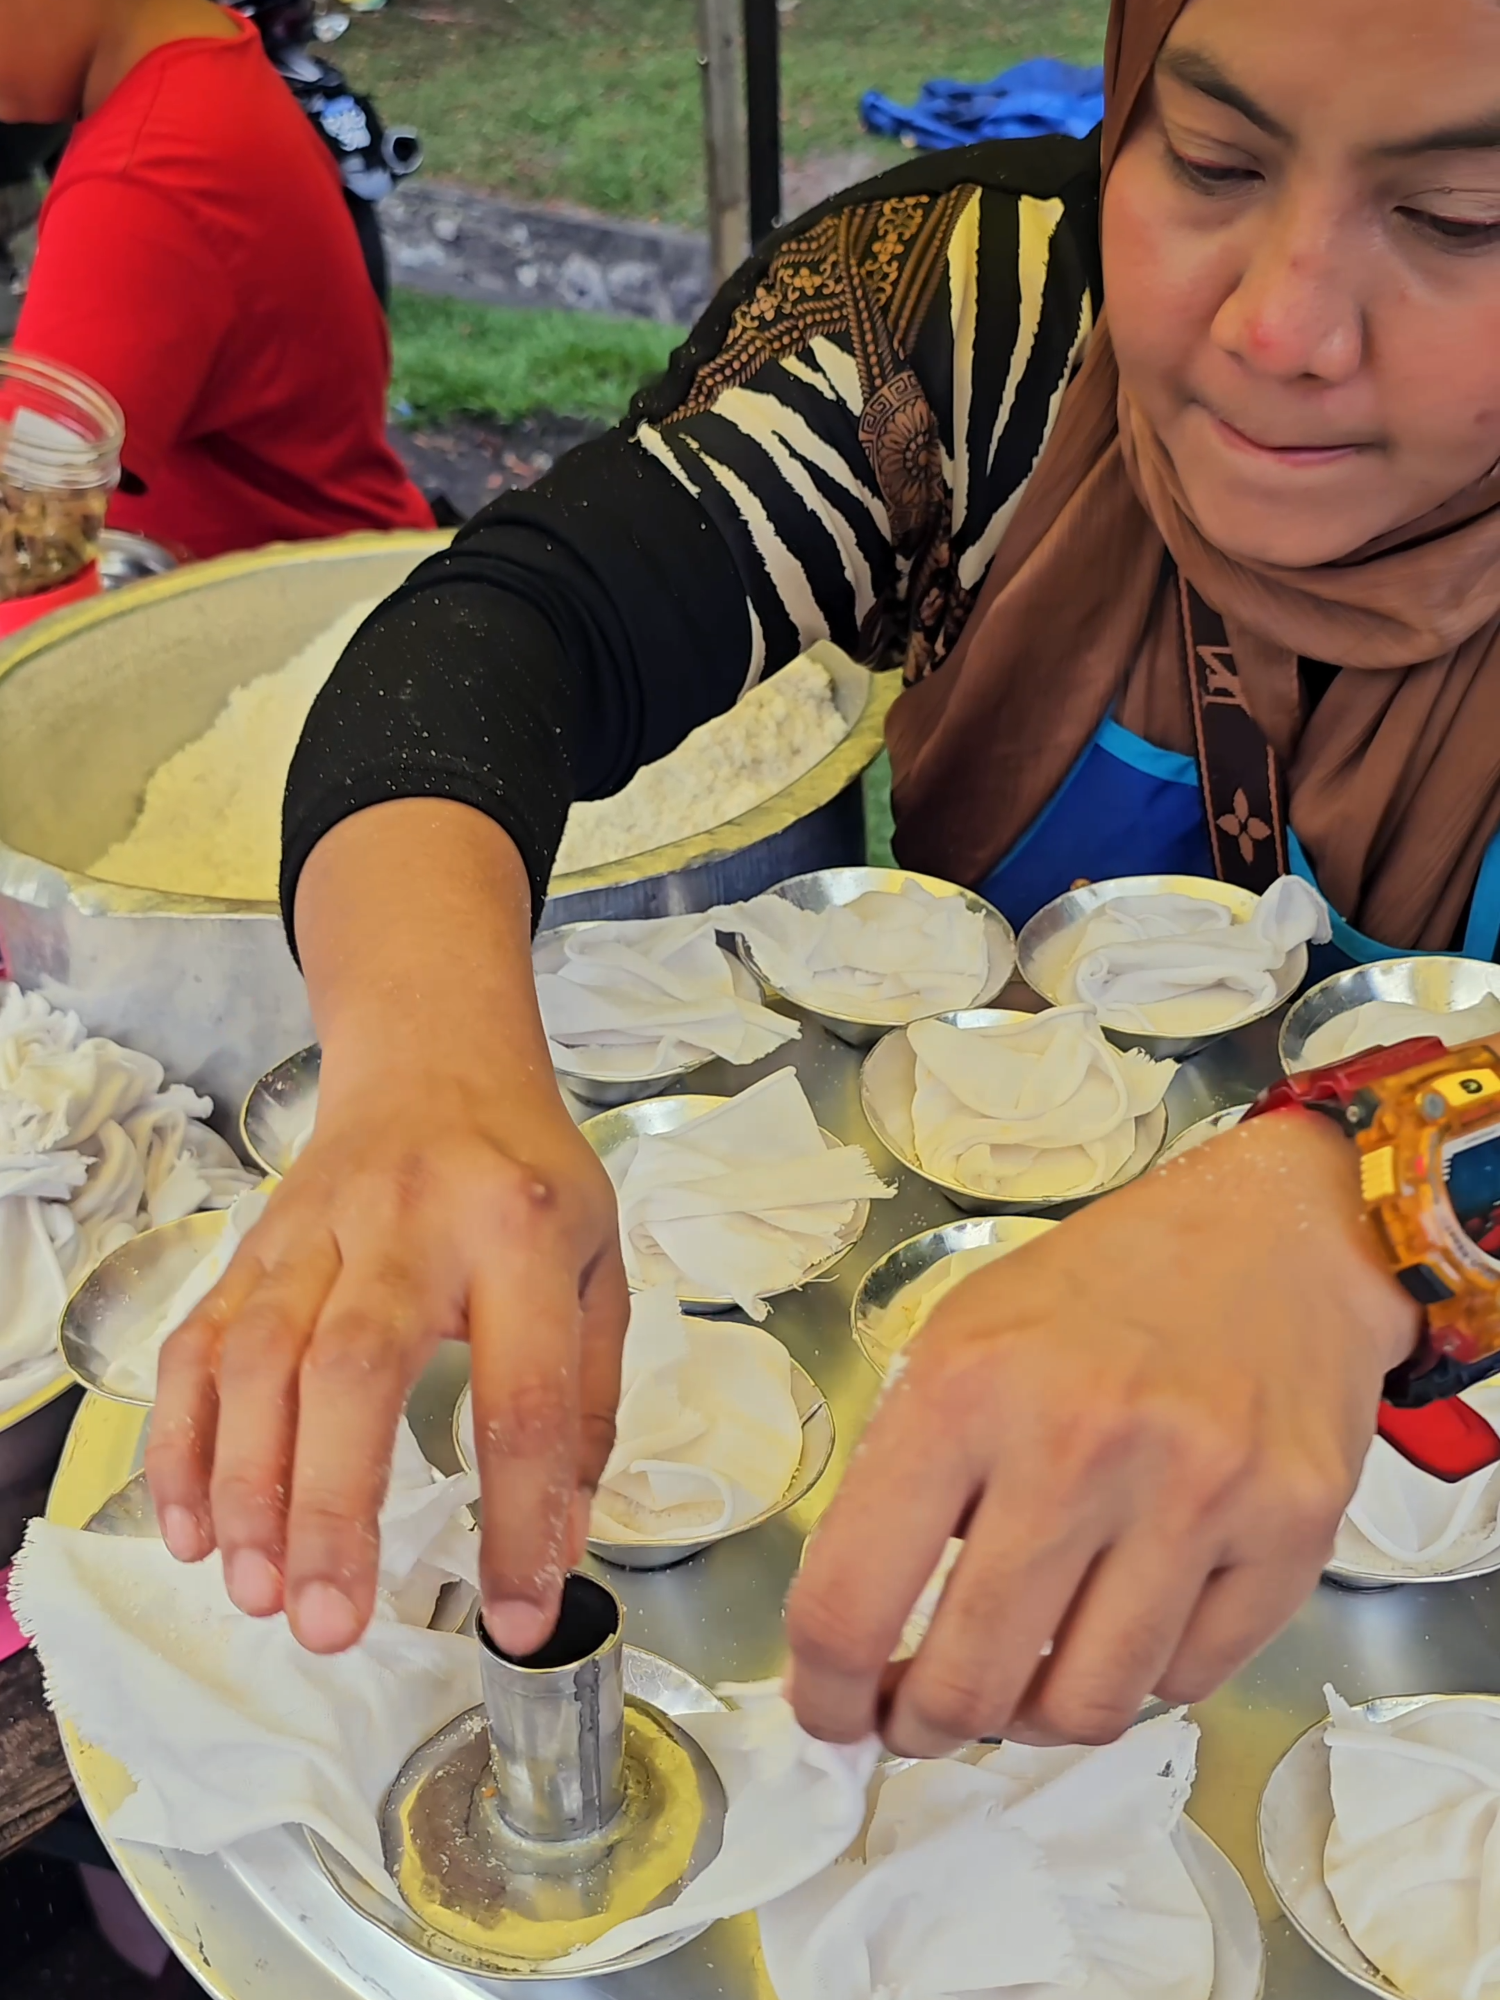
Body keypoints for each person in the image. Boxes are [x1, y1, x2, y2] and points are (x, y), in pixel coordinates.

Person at [148, 0, 1500, 1759]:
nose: (1279, 326)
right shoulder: (971, 324)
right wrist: (429, 1067)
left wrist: (1365, 1209)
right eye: (1215, 161)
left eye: (1465, 217)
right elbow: (511, 632)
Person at [0, 0, 432, 558]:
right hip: (356, 567)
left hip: (293, 619)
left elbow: (27, 539)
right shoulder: (204, 62)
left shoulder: (142, 180)